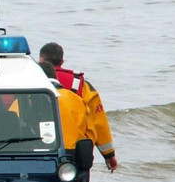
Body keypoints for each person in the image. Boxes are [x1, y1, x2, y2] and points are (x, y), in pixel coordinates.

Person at [38, 43, 118, 174]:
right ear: (62, 61)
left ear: (41, 60)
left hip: (40, 147)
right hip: (76, 151)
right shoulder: (80, 84)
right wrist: (108, 154)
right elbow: (98, 121)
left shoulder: (29, 82)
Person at [39, 61, 94, 182]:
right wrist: (109, 154)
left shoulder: (28, 99)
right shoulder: (76, 99)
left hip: (40, 156)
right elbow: (90, 133)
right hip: (73, 158)